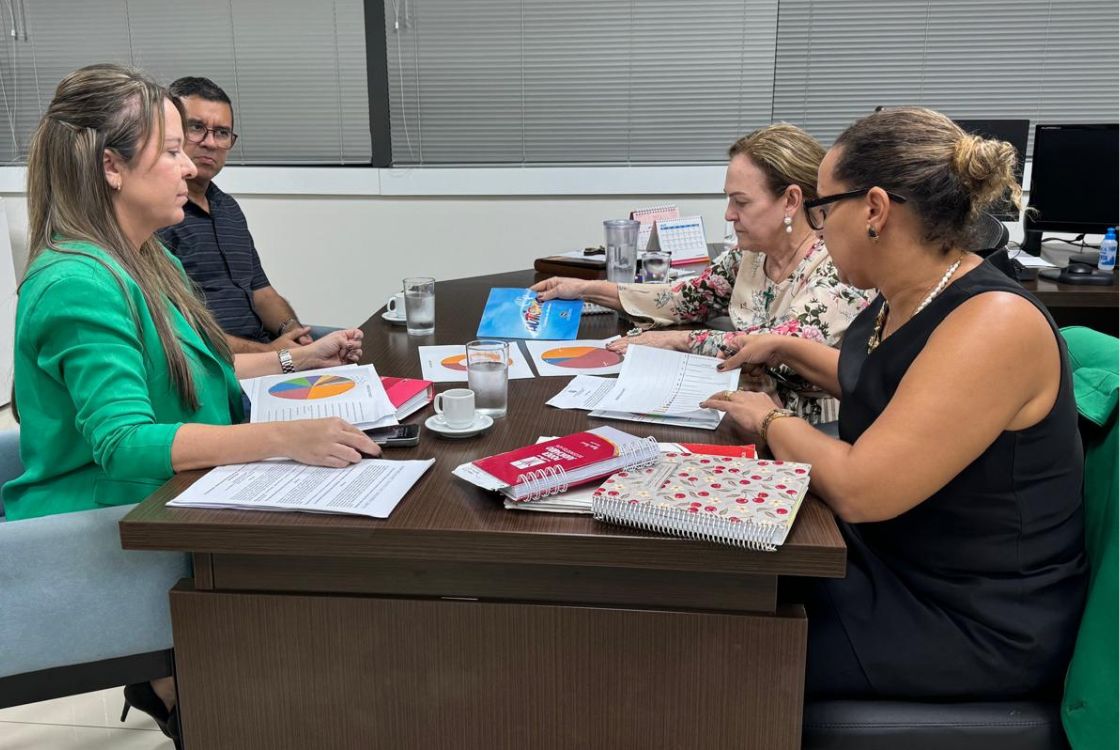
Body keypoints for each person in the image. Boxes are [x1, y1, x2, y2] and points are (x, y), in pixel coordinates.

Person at [4, 64, 381, 743]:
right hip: (114, 516)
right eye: (173, 149)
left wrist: (297, 359)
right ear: (111, 165)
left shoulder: (148, 257)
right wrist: (281, 440)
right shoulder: (75, 282)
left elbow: (197, 366)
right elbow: (123, 444)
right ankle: (210, 700)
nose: (191, 166)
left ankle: (200, 695)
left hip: (178, 490)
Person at [704, 107, 1086, 699]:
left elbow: (862, 489)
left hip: (968, 618)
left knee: (714, 651)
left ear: (875, 209)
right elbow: (886, 382)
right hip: (896, 564)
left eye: (824, 210)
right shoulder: (905, 294)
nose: (819, 227)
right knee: (717, 580)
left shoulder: (994, 323)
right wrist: (788, 349)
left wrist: (770, 420)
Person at [532, 124, 870, 423]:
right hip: (743, 406)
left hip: (809, 428)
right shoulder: (750, 255)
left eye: (741, 202)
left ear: (791, 201)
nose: (728, 215)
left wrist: (674, 341)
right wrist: (585, 289)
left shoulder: (838, 268)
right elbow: (681, 298)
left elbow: (777, 346)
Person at [156, 76, 315, 353]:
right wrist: (276, 355)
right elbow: (175, 331)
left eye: (221, 133)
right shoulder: (160, 215)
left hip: (267, 350)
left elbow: (262, 293)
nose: (210, 143)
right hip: (219, 365)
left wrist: (294, 334)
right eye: (196, 128)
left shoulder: (228, 208)